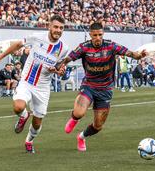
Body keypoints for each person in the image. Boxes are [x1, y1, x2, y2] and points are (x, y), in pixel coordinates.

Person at [58, 22, 147, 152]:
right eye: (95, 35)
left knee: (98, 126)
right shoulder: (84, 47)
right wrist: (61, 64)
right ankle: (74, 118)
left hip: (105, 89)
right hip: (89, 85)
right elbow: (69, 58)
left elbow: (130, 53)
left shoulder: (111, 45)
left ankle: (81, 137)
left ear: (103, 34)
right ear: (90, 35)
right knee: (79, 112)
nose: (98, 38)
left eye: (100, 35)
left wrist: (139, 55)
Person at [0, 15, 68, 153]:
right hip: (27, 81)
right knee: (18, 107)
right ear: (49, 26)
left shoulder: (63, 48)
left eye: (61, 28)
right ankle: (24, 116)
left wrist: (57, 71)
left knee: (37, 124)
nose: (58, 30)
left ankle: (29, 140)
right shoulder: (37, 37)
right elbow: (18, 44)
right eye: (55, 27)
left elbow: (60, 67)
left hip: (43, 88)